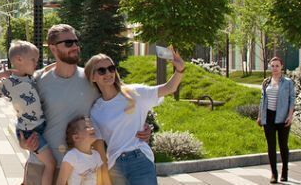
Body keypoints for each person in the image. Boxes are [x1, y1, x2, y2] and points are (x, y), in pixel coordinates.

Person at [21, 26, 152, 177]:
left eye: (76, 42)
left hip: (81, 168)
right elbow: (23, 119)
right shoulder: (38, 80)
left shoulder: (93, 79)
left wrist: (141, 126)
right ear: (53, 48)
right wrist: (22, 142)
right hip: (41, 165)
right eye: (68, 43)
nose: (75, 46)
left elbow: (120, 101)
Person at [85, 46, 186, 185]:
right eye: (101, 70)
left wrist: (180, 70)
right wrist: (103, 171)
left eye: (111, 68)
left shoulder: (134, 93)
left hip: (140, 160)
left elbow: (169, 88)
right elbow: (98, 144)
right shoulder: (96, 110)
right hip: (115, 165)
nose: (108, 73)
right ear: (92, 77)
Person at [0, 40, 58, 185]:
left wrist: (59, 62)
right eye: (33, 60)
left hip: (38, 125)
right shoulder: (9, 82)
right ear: (19, 59)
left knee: (33, 157)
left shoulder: (31, 77)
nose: (36, 63)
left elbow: (45, 70)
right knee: (50, 164)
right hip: (29, 130)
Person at [258, 56, 296, 183]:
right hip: (268, 117)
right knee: (271, 146)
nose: (274, 68)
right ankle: (274, 173)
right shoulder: (266, 82)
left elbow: (292, 100)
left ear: (281, 67)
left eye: (277, 66)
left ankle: (285, 171)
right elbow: (262, 100)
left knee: (283, 145)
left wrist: (290, 116)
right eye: (272, 66)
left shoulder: (288, 82)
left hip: (283, 117)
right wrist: (260, 116)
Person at [60, 116, 109, 185]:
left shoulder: (97, 155)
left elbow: (99, 182)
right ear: (76, 137)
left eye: (92, 126)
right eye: (87, 127)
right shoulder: (71, 156)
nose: (92, 128)